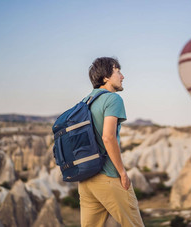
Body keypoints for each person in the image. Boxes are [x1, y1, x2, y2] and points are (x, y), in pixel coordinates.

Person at [78, 57, 145, 227]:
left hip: (86, 179)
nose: (122, 76)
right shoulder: (113, 99)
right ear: (106, 77)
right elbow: (108, 137)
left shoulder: (85, 101)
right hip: (108, 176)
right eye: (118, 71)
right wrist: (122, 172)